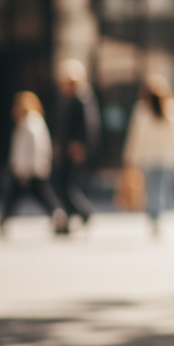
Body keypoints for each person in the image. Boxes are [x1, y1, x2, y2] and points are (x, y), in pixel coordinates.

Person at [123, 74, 174, 237]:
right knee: (159, 187)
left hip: (153, 158)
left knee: (155, 188)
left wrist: (130, 156)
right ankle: (157, 214)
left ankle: (156, 214)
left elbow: (136, 136)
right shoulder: (168, 109)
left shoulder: (148, 110)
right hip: (165, 158)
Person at [0, 91, 68, 236]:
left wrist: (26, 168)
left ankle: (58, 215)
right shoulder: (28, 122)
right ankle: (3, 217)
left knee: (37, 195)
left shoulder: (31, 123)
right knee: (23, 195)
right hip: (28, 168)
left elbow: (33, 149)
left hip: (30, 169)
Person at [54, 59, 100, 231]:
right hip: (65, 147)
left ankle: (83, 212)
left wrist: (81, 145)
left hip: (74, 149)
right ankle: (75, 216)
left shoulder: (81, 98)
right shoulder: (64, 99)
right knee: (61, 184)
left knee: (68, 185)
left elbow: (88, 126)